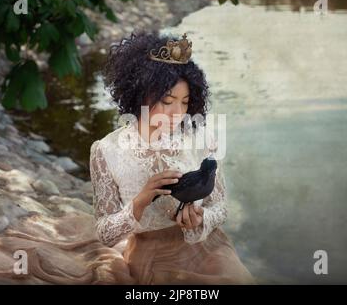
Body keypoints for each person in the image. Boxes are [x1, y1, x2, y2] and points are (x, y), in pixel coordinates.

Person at [90, 30, 256, 284]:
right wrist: (140, 202)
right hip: (149, 256)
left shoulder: (202, 139)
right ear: (139, 94)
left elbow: (220, 206)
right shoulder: (107, 150)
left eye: (185, 102)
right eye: (167, 101)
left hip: (207, 249)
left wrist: (201, 220)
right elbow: (104, 233)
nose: (177, 113)